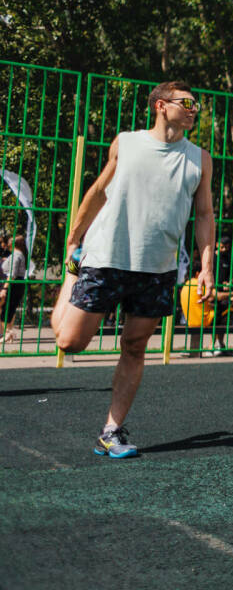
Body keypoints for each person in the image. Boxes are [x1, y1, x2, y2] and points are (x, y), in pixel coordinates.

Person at [52, 80, 215, 458]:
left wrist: (206, 267)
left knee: (135, 346)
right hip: (106, 257)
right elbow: (98, 191)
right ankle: (73, 273)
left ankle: (111, 431)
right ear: (161, 105)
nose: (194, 110)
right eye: (187, 103)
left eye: (196, 105)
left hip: (158, 269)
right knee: (69, 342)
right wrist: (75, 237)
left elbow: (205, 215)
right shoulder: (126, 143)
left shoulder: (199, 159)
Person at [0, 235, 29, 344]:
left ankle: (8, 333)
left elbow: (12, 274)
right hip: (16, 284)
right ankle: (9, 334)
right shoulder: (19, 254)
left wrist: (5, 288)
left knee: (6, 309)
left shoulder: (16, 255)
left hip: (13, 284)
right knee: (9, 309)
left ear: (12, 244)